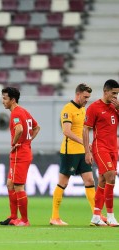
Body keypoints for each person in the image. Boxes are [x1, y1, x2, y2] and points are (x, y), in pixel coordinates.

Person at [50, 84, 95, 226]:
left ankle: (96, 215)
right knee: (63, 183)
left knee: (90, 181)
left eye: (88, 97)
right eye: (85, 97)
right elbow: (67, 131)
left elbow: (83, 129)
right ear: (78, 94)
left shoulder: (83, 109)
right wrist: (83, 141)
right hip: (70, 152)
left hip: (82, 152)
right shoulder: (67, 109)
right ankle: (54, 217)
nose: (87, 99)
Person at [0, 87, 40, 227]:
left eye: (5, 98)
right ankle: (13, 216)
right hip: (23, 152)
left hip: (20, 155)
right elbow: (37, 127)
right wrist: (28, 141)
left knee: (18, 186)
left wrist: (15, 142)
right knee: (10, 183)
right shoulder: (24, 111)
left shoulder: (16, 113)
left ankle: (24, 220)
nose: (3, 101)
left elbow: (20, 129)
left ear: (12, 100)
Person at [83, 79, 119, 227]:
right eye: (113, 93)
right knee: (111, 175)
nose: (116, 96)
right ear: (105, 91)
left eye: (117, 94)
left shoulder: (116, 107)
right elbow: (85, 129)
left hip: (114, 147)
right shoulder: (94, 107)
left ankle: (96, 216)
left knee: (104, 180)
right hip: (100, 146)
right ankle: (110, 215)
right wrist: (87, 152)